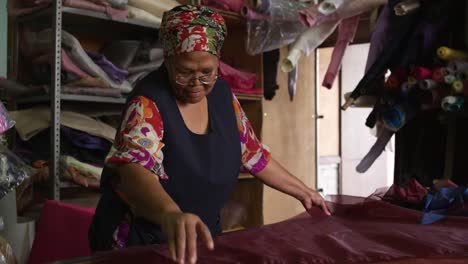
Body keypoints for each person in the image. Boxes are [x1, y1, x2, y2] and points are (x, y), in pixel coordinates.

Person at [89, 4, 330, 264]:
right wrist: (170, 213)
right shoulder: (148, 103)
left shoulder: (223, 97)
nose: (197, 83)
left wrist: (304, 192)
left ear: (218, 62)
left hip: (199, 238)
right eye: (185, 72)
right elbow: (134, 169)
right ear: (167, 60)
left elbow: (252, 153)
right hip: (142, 241)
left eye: (207, 72)